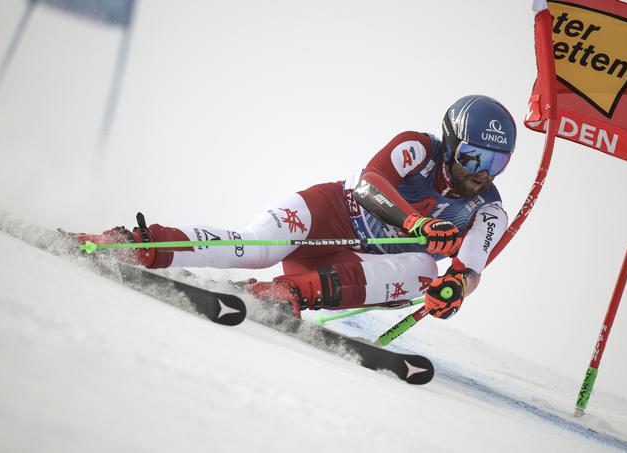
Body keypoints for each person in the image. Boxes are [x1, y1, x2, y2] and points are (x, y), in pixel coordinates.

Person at [77, 95, 514, 320]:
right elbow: (368, 184)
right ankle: (137, 243)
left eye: (497, 163)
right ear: (453, 142)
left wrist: (453, 294)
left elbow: (467, 271)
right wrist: (417, 221)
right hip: (331, 213)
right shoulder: (418, 147)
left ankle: (288, 294)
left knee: (427, 271)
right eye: (473, 157)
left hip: (353, 267)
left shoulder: (488, 210)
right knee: (255, 248)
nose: (482, 172)